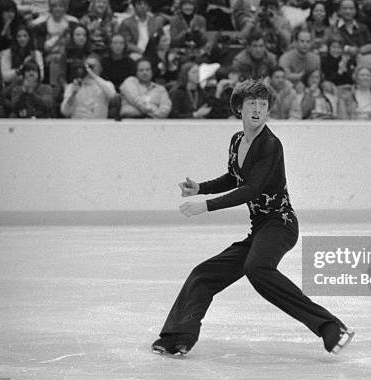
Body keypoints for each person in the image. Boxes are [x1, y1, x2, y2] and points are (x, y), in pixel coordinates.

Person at [151, 79, 353, 357]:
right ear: (239, 108)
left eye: (263, 104)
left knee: (257, 268)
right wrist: (201, 188)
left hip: (280, 224)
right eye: (251, 104)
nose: (258, 109)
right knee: (203, 274)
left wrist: (206, 206)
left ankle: (331, 327)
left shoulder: (270, 144)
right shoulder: (237, 140)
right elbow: (235, 177)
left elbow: (252, 188)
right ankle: (178, 336)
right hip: (259, 229)